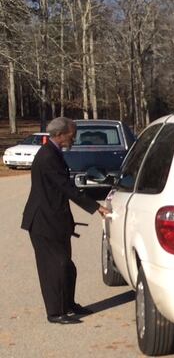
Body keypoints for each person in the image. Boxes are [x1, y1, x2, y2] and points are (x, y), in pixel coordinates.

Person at [21, 117, 109, 325]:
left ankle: (68, 304)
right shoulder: (47, 156)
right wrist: (96, 206)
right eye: (72, 134)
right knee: (54, 268)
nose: (74, 138)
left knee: (67, 267)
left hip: (56, 220)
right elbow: (65, 187)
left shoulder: (53, 152)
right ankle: (55, 312)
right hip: (43, 221)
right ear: (60, 135)